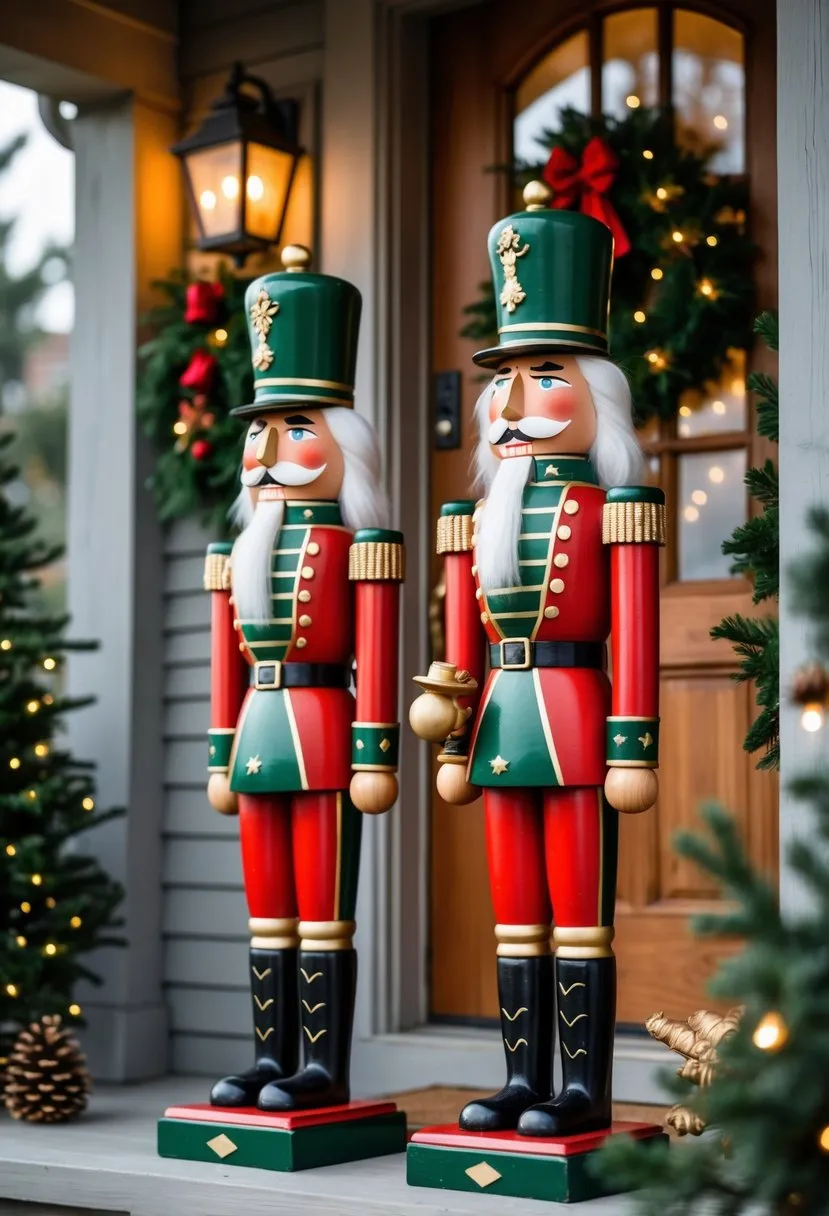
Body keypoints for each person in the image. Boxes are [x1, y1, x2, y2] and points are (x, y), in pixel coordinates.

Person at [410, 182, 664, 1137]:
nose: (511, 400)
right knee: (515, 909)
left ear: (594, 394)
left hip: (574, 710)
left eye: (542, 373)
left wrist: (631, 740)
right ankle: (522, 1079)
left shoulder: (614, 510)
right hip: (501, 720)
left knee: (579, 910)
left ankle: (581, 1090)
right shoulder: (475, 517)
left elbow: (633, 629)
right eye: (503, 378)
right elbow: (459, 639)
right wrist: (447, 727)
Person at [205, 245, 403, 1112]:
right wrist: (220, 750)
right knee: (267, 910)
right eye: (258, 428)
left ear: (341, 444)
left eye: (292, 428)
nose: (266, 449)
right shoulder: (237, 549)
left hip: (325, 725)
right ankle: (267, 1057)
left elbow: (379, 650)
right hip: (257, 732)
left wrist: (375, 752)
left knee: (322, 910)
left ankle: (319, 1066)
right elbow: (223, 662)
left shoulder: (358, 545)